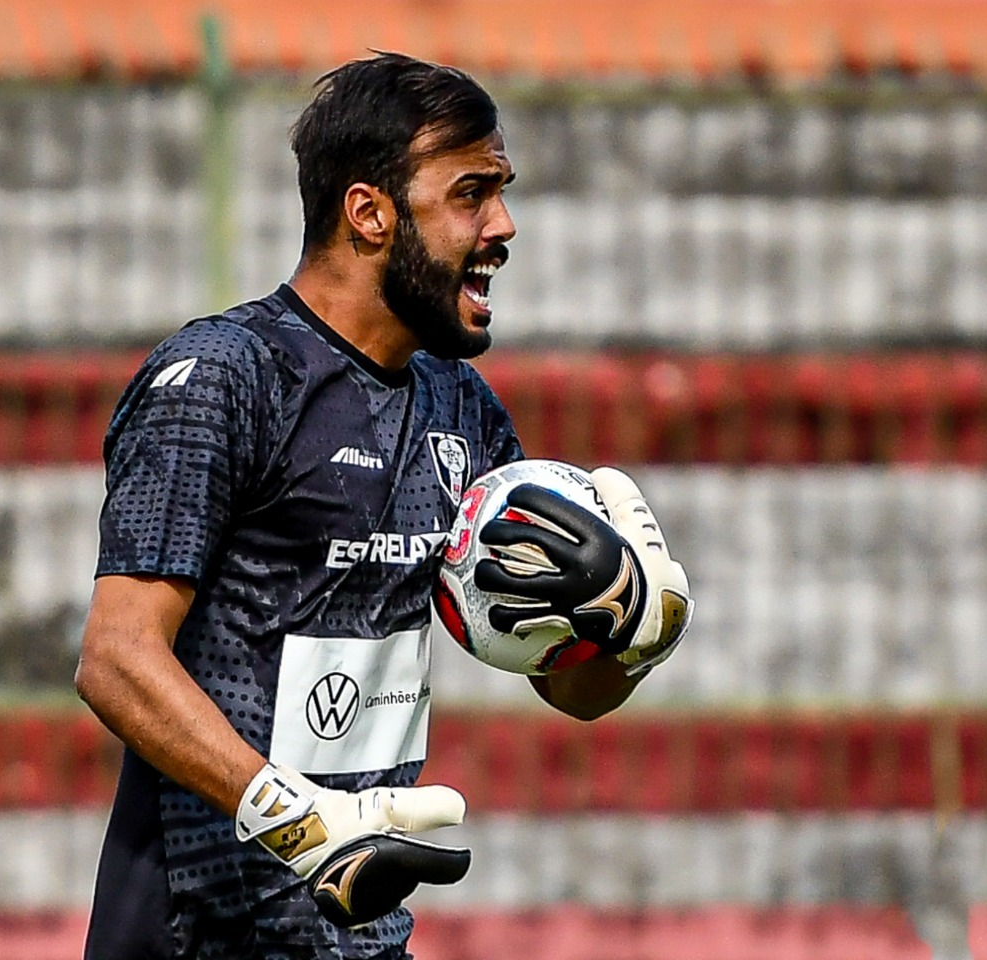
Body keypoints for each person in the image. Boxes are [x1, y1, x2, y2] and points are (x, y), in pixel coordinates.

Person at [75, 52, 691, 960]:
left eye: (502, 191)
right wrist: (294, 820)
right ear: (370, 213)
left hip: (357, 936)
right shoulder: (224, 378)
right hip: (190, 936)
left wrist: (637, 628)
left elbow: (569, 690)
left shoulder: (461, 407)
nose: (504, 226)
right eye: (471, 194)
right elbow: (116, 657)